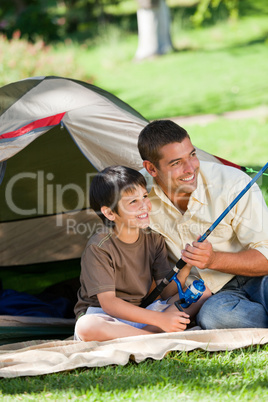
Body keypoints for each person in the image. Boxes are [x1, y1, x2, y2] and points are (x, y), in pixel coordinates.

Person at [138, 119, 268, 329]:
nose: (191, 168)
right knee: (214, 318)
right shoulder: (137, 196)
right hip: (216, 297)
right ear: (151, 168)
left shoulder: (233, 183)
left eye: (192, 155)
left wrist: (214, 259)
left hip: (259, 277)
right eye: (176, 163)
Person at [74, 165, 211, 342]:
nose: (144, 206)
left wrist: (186, 265)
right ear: (109, 213)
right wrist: (161, 320)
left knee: (203, 291)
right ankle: (155, 337)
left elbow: (167, 292)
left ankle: (145, 336)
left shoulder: (154, 239)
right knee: (87, 327)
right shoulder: (99, 247)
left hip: (144, 313)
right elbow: (110, 304)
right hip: (106, 317)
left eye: (145, 197)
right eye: (133, 202)